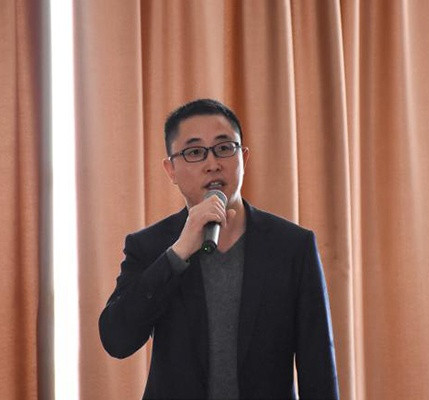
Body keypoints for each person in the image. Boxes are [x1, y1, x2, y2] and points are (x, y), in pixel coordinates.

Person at [99, 99, 339, 399]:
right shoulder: (150, 246)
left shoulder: (292, 246)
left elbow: (318, 366)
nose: (212, 163)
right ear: (171, 169)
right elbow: (117, 340)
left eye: (225, 148)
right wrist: (177, 253)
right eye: (194, 152)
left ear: (244, 158)